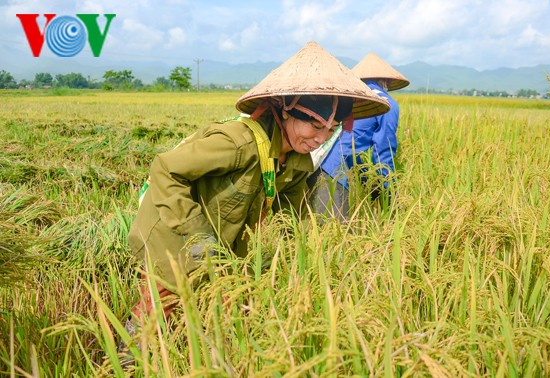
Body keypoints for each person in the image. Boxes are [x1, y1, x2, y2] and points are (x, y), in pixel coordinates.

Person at [119, 41, 390, 355]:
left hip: (221, 237)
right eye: (314, 125)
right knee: (160, 304)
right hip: (172, 228)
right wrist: (199, 238)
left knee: (216, 304)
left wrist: (311, 259)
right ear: (285, 110)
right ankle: (127, 359)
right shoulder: (237, 143)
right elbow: (165, 169)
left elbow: (293, 216)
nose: (319, 138)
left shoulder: (298, 162)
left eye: (330, 131)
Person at [307, 52, 409, 220]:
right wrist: (388, 191)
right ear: (387, 82)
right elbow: (384, 151)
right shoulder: (386, 104)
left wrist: (367, 179)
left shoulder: (349, 98)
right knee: (339, 235)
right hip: (335, 172)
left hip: (314, 163)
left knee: (315, 232)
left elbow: (351, 144)